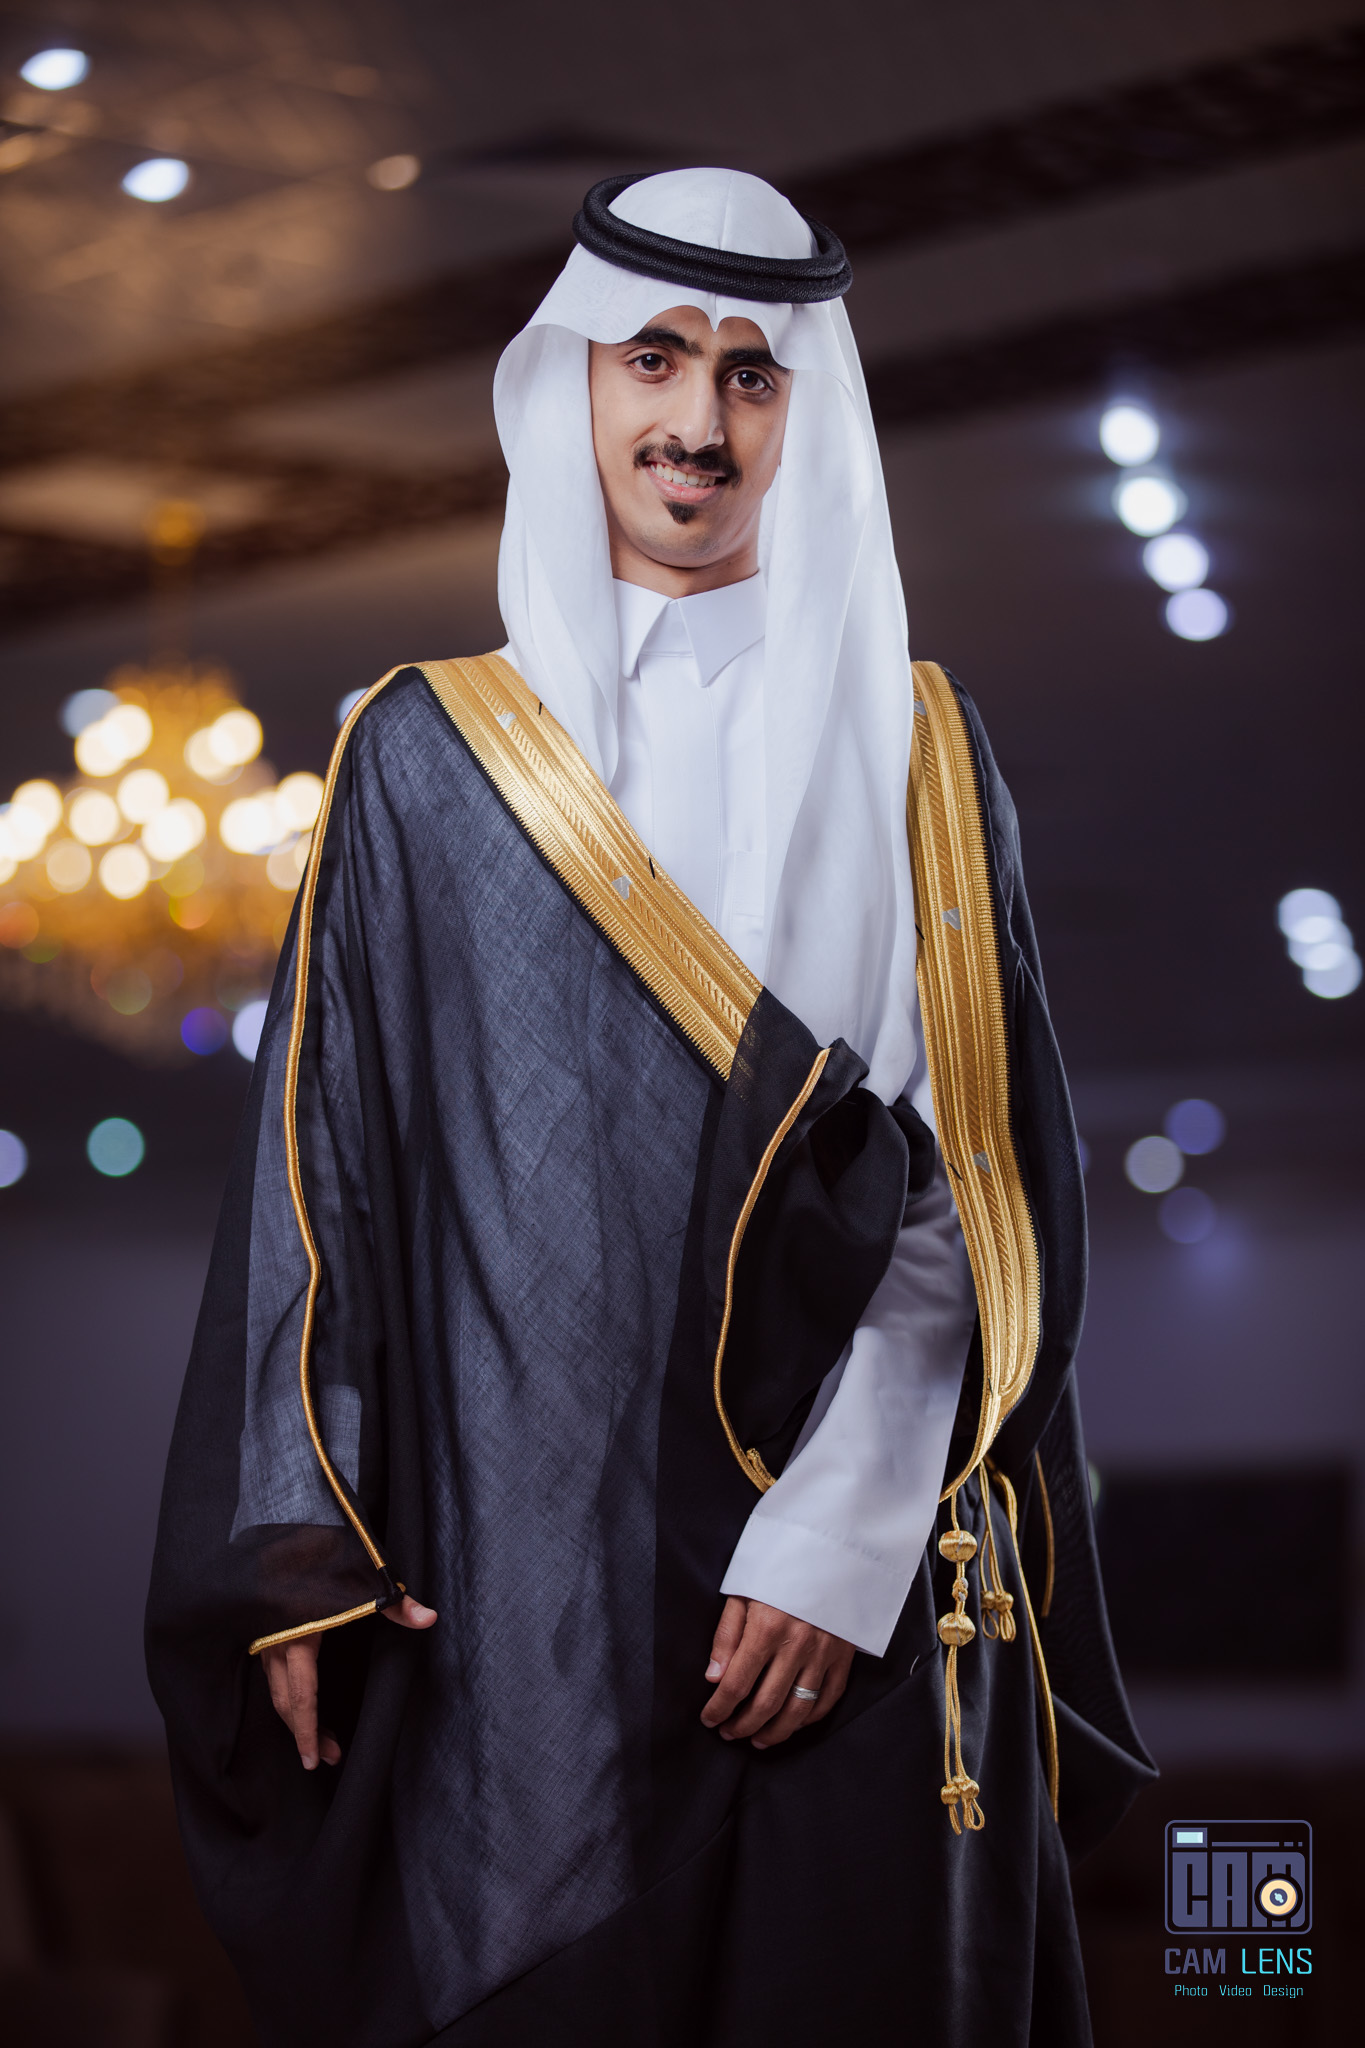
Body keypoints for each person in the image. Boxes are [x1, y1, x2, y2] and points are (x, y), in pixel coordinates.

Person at [147, 169, 1153, 2048]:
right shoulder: (426, 755)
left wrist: (835, 1546)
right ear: (573, 380)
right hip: (520, 1591)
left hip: (850, 1601)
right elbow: (320, 1165)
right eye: (656, 358)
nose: (697, 420)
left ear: (804, 412)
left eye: (751, 376)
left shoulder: (919, 746)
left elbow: (964, 1193)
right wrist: (293, 1550)